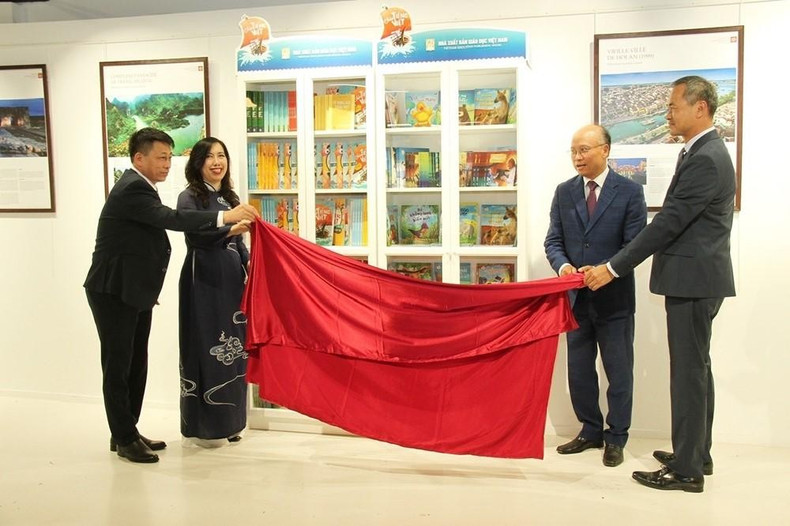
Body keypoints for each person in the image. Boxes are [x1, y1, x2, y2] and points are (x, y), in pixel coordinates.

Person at [584, 76, 736, 493]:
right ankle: (695, 453)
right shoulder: (703, 150)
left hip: (694, 280)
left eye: (673, 106)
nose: (667, 113)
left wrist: (613, 267)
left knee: (688, 374)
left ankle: (686, 471)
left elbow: (668, 223)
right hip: (699, 278)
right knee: (697, 370)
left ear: (700, 108)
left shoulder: (705, 157)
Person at [84, 128, 259, 463]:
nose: (167, 164)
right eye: (161, 157)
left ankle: (127, 430)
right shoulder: (132, 189)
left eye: (169, 157)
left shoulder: (143, 188)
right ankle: (123, 437)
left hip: (134, 290)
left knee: (136, 364)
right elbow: (174, 219)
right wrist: (225, 218)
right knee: (119, 366)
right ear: (139, 158)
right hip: (112, 290)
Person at [545, 124, 647, 467]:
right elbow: (553, 241)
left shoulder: (630, 192)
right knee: (579, 370)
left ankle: (616, 437)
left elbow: (635, 245)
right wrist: (563, 269)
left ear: (605, 150)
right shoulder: (564, 192)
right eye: (574, 151)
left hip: (614, 298)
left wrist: (604, 269)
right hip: (575, 301)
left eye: (585, 149)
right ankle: (590, 430)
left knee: (618, 371)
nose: (578, 157)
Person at [177, 137, 251, 447]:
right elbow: (194, 235)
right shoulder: (189, 197)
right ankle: (203, 424)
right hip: (204, 280)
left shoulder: (229, 196)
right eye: (209, 157)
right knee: (205, 345)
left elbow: (240, 244)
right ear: (197, 163)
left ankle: (231, 423)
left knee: (235, 349)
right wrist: (231, 229)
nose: (216, 162)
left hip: (232, 281)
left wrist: (253, 269)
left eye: (221, 155)